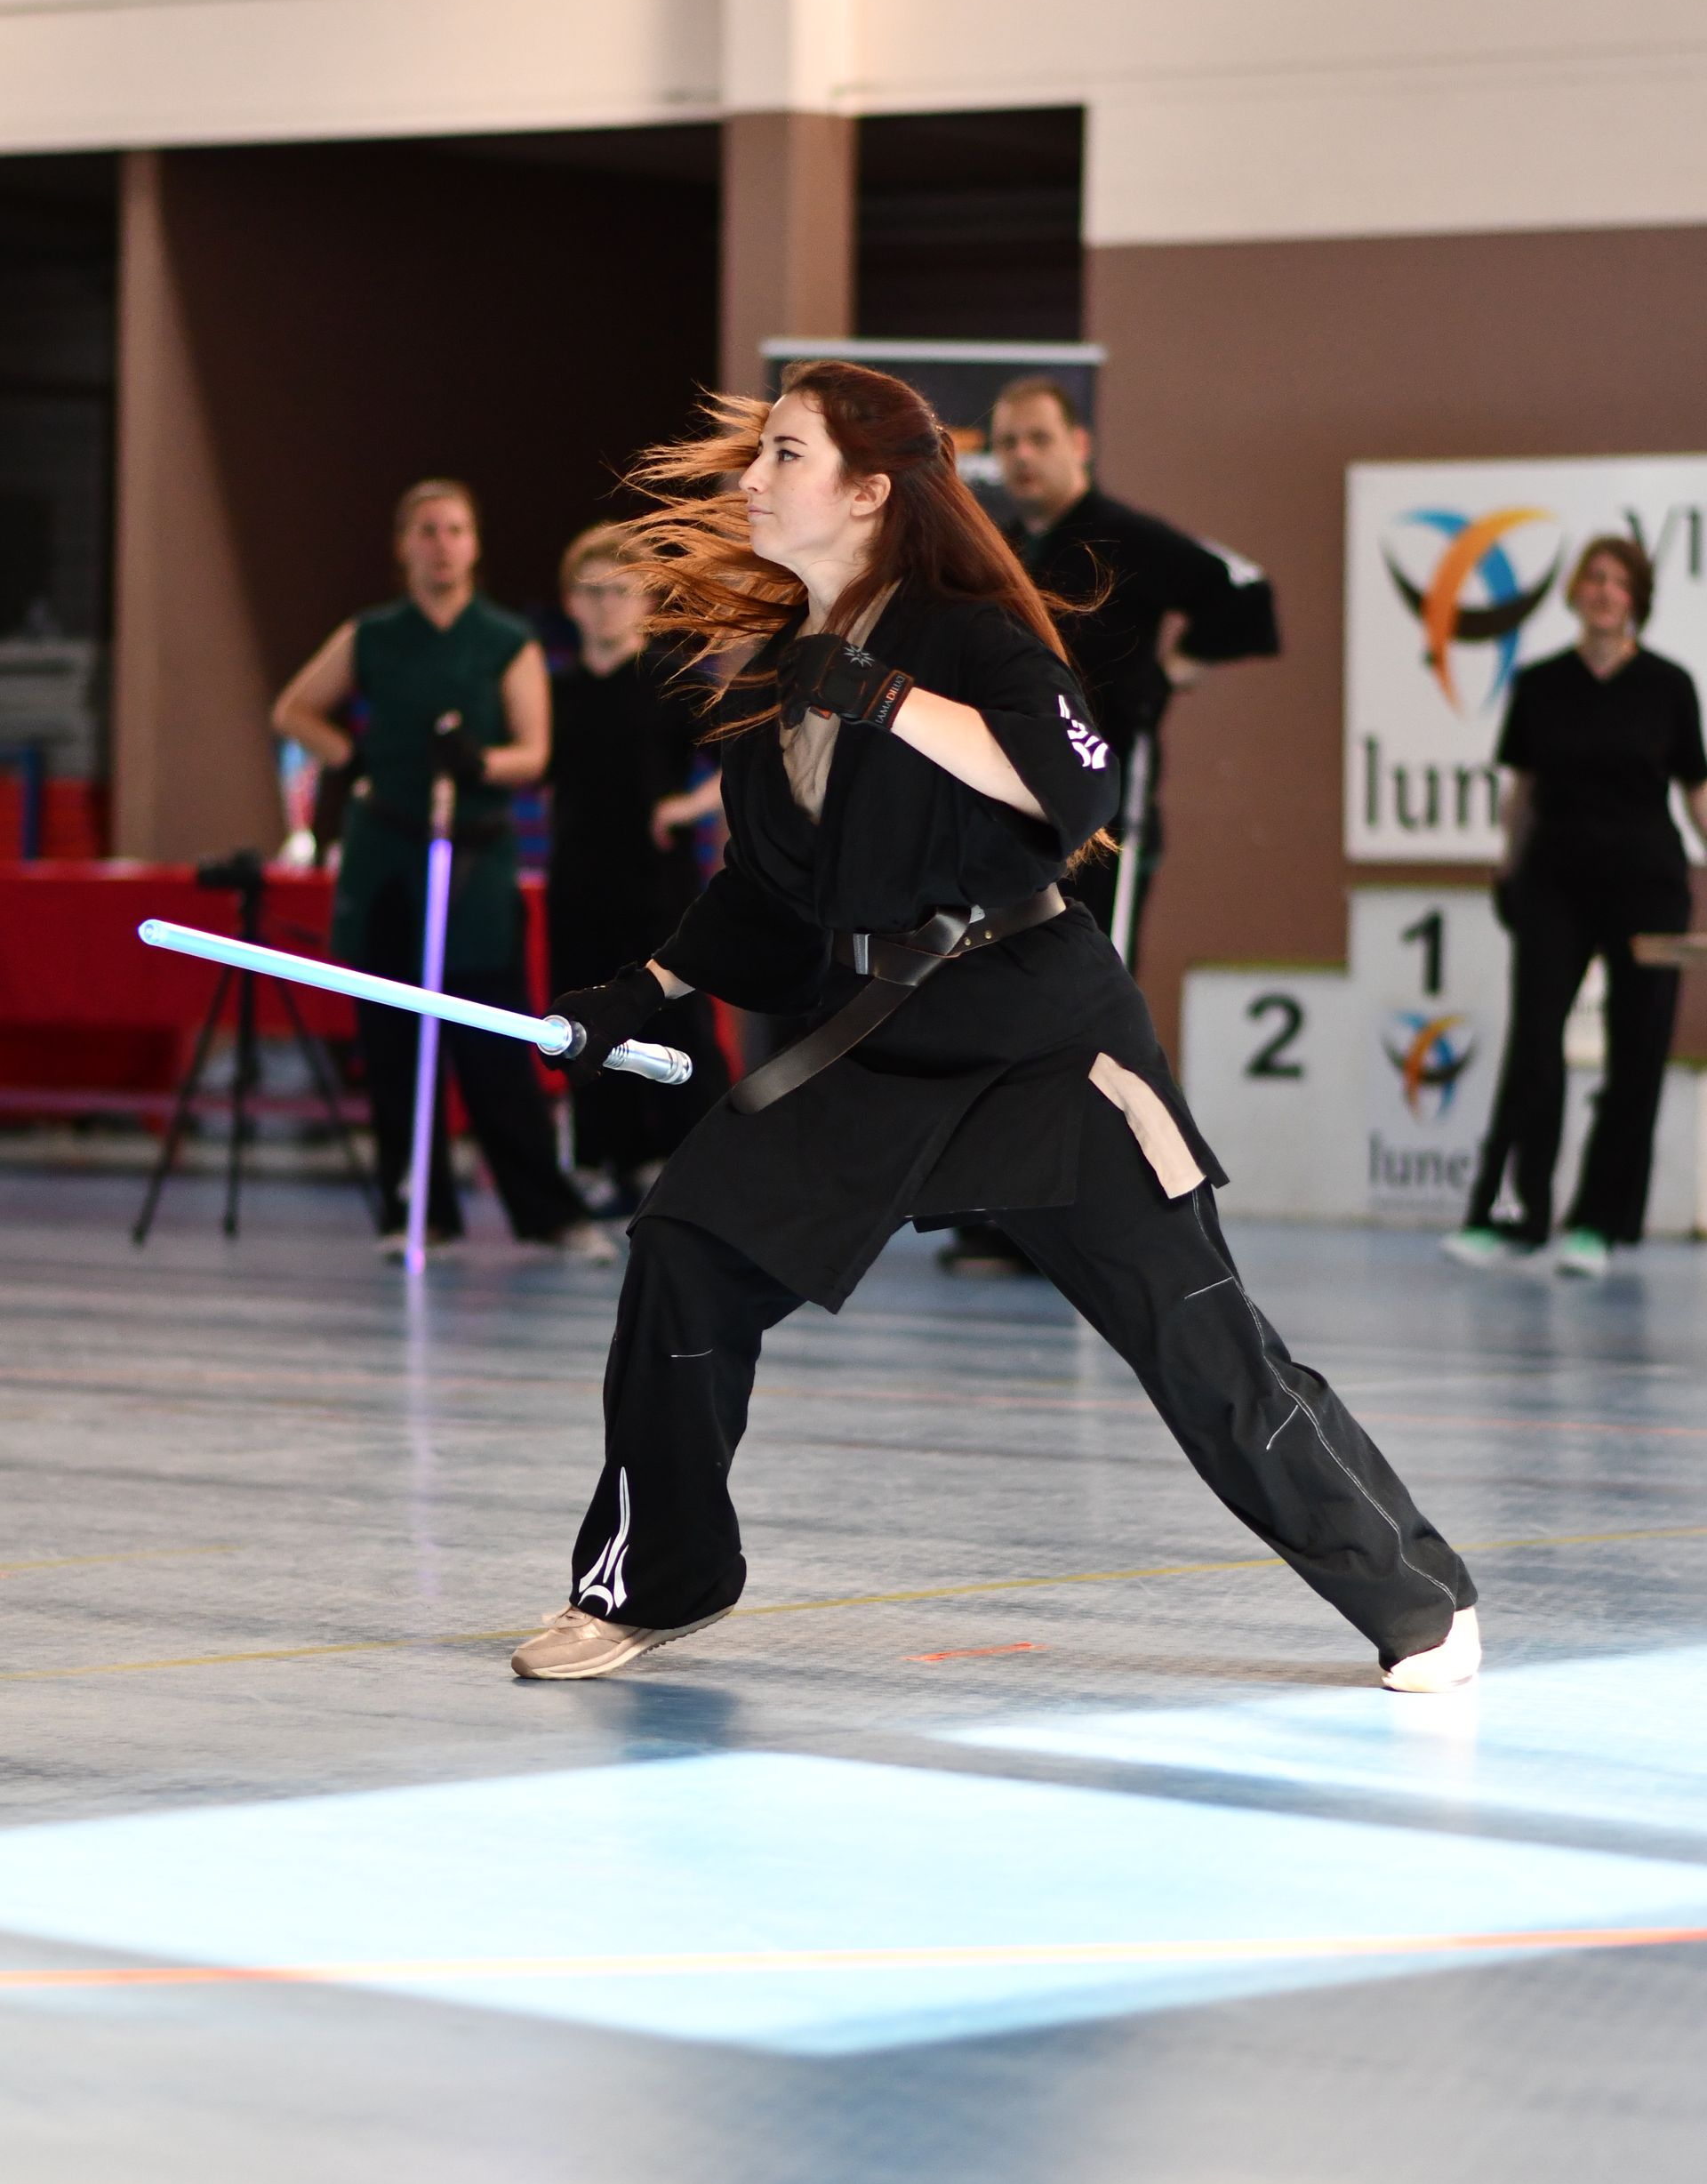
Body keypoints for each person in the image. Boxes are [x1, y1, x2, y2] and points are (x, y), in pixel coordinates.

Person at [509, 360, 1479, 1695]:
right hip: (876, 1041)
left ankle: (1416, 1599)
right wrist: (645, 991)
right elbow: (769, 897)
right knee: (685, 1251)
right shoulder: (776, 677)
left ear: (868, 492)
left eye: (784, 455)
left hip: (1045, 1040)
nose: (753, 479)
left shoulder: (968, 635)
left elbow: (1077, 788)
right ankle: (656, 1580)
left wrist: (885, 697)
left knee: (1201, 1344)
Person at [938, 373, 1281, 1276]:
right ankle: (1017, 1211)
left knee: (1093, 1012)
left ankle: (1131, 1213)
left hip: (1105, 819)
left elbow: (1246, 595)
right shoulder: (1004, 548)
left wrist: (1172, 673)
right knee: (1012, 1003)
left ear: (1079, 445)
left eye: (1039, 439)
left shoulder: (1127, 536)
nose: (1022, 458)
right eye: (1008, 443)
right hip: (1015, 819)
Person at [270, 478, 611, 1259]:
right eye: (426, 530)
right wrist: (354, 759)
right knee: (391, 1038)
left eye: (455, 530)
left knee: (492, 1038)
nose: (441, 545)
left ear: (475, 544)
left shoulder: (505, 640)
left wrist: (478, 762)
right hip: (388, 851)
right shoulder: (372, 634)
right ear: (403, 546)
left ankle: (546, 1215)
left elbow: (535, 752)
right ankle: (416, 1211)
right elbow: (293, 709)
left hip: (474, 855)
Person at [1445, 535, 1707, 1278]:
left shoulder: (1669, 685)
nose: (1604, 591)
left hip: (1649, 889)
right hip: (1554, 883)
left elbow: (1696, 791)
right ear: (1575, 591)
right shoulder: (1540, 683)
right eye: (1594, 578)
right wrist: (1508, 866)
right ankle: (1515, 1215)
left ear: (1637, 599)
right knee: (1534, 1042)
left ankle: (1598, 1223)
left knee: (1637, 1051)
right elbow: (1522, 792)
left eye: (1619, 582)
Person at [547, 525, 730, 1212]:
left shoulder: (671, 680)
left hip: (658, 888)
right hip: (578, 883)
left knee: (676, 1019)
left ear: (646, 600)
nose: (605, 606)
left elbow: (741, 762)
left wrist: (685, 808)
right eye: (591, 592)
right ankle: (607, 1162)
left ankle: (697, 1164)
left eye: (618, 592)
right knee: (585, 1021)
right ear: (570, 601)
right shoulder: (558, 690)